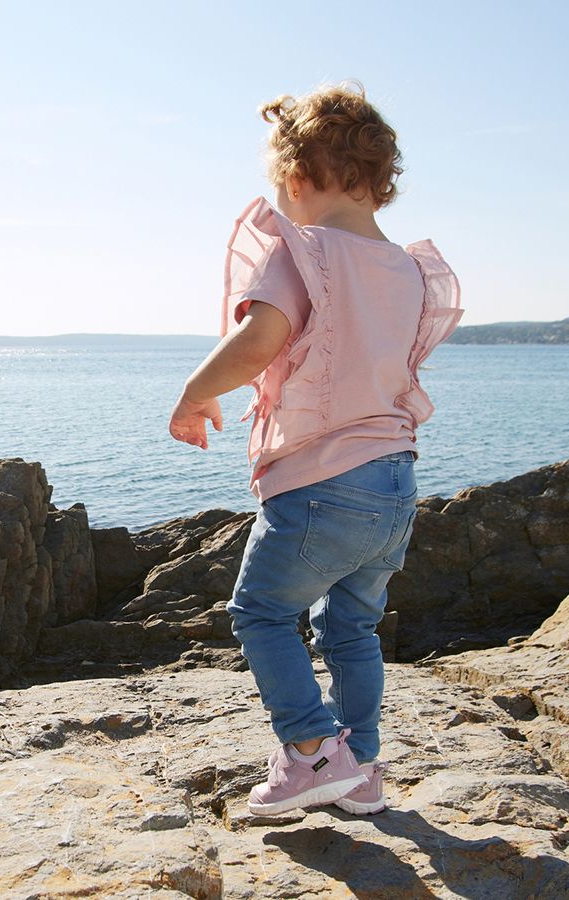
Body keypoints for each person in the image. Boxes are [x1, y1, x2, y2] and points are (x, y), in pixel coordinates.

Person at [168, 82, 462, 817]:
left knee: (262, 613)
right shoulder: (408, 270)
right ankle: (360, 766)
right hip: (395, 484)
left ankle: (308, 752)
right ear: (378, 181)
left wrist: (197, 392)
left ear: (295, 178)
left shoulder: (301, 252)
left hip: (321, 482)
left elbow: (259, 339)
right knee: (352, 626)